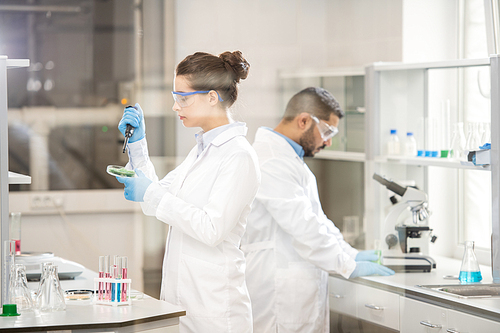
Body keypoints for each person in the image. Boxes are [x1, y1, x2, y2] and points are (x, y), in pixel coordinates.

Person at [115, 51, 260, 333]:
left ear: (212, 97)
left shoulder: (238, 156)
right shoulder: (201, 151)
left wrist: (152, 195)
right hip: (186, 307)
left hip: (217, 312)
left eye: (183, 98)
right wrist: (137, 145)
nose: (175, 106)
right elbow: (155, 197)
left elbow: (211, 229)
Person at [241, 87, 394, 333]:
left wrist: (350, 253)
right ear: (303, 120)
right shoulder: (271, 161)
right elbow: (305, 228)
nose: (329, 141)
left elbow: (317, 220)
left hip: (291, 285)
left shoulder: (289, 160)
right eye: (327, 131)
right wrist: (347, 264)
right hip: (276, 290)